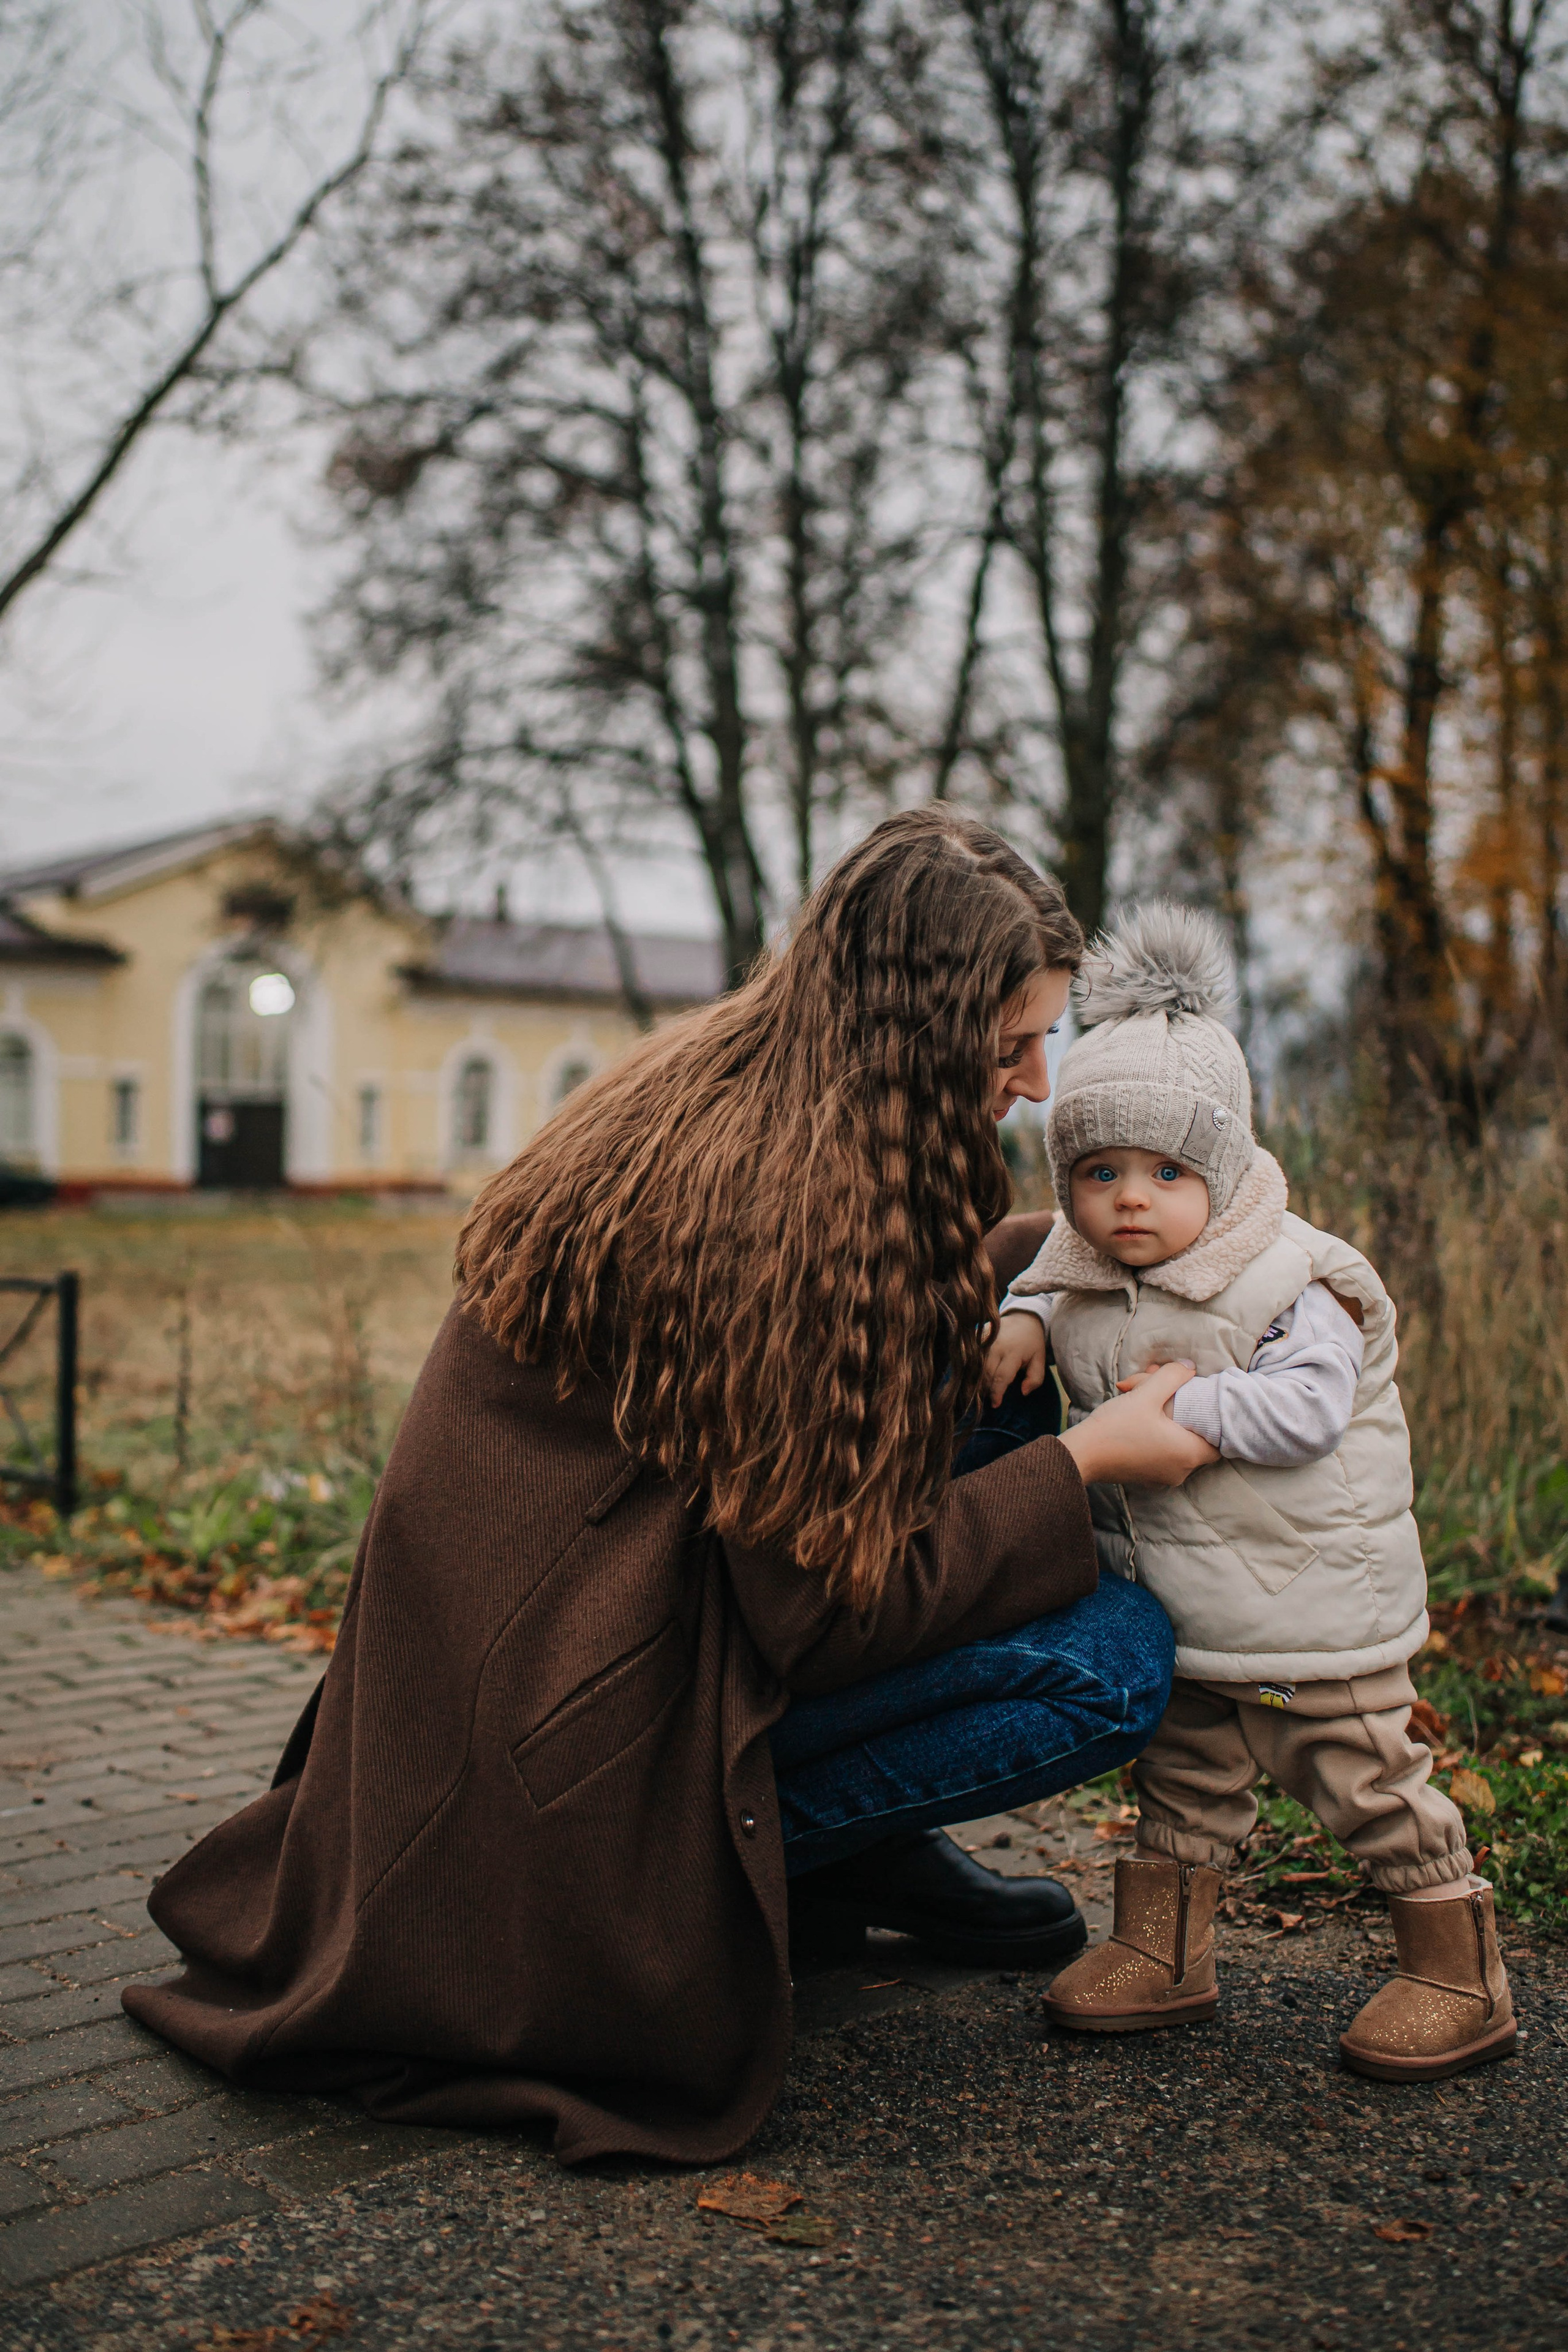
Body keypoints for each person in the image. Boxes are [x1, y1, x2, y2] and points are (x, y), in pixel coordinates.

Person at [123, 810, 1212, 2166]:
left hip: (521, 1665)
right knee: (1115, 1654)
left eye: (1045, 1038)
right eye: (1007, 1047)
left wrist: (1071, 1263)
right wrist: (1086, 1463)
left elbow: (889, 1355)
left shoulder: (735, 1084)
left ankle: (851, 1852)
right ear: (913, 1033)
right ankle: (783, 1855)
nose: (1038, 1084)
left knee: (995, 1402)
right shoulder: (791, 1222)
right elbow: (829, 1618)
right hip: (572, 1768)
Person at [984, 904, 1513, 2082]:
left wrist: (1192, 1410)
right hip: (1196, 1621)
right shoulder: (1084, 1271)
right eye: (1100, 1172)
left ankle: (1456, 1968)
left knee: (1363, 1780)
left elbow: (1310, 1410)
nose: (1131, 1199)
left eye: (1167, 1172)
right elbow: (1047, 1277)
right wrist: (1019, 1318)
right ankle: (1165, 1952)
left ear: (1221, 1175)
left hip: (1310, 1624)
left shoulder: (1286, 1280)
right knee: (1182, 1782)